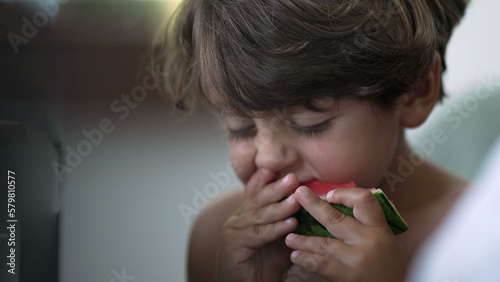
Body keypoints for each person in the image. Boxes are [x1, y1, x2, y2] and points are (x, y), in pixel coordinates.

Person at [155, 0, 468, 281]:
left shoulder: (479, 236)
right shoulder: (217, 239)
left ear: (415, 93)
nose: (267, 157)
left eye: (309, 125)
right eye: (241, 128)